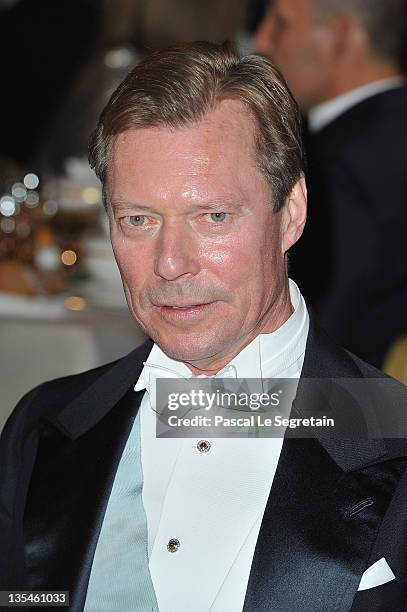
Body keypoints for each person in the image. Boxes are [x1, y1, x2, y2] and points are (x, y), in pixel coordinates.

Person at [1, 41, 407, 612]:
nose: (171, 263)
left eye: (212, 217)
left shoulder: (392, 437)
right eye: (138, 220)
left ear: (290, 211)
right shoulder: (43, 429)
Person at [254, 0, 407, 368]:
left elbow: (323, 338)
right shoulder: (387, 136)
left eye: (280, 25)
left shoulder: (338, 164)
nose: (260, 42)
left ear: (338, 37)